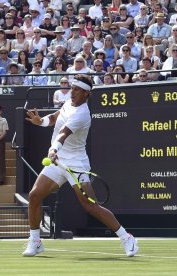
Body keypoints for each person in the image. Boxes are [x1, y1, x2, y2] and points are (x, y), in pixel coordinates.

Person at [23, 74, 138, 257]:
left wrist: (53, 149)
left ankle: (126, 237)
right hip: (58, 161)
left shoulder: (82, 114)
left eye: (77, 89)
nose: (72, 92)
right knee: (34, 195)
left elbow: (63, 133)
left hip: (76, 163)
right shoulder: (68, 103)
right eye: (72, 88)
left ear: (86, 93)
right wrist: (42, 121)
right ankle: (35, 241)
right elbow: (55, 118)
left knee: (90, 206)